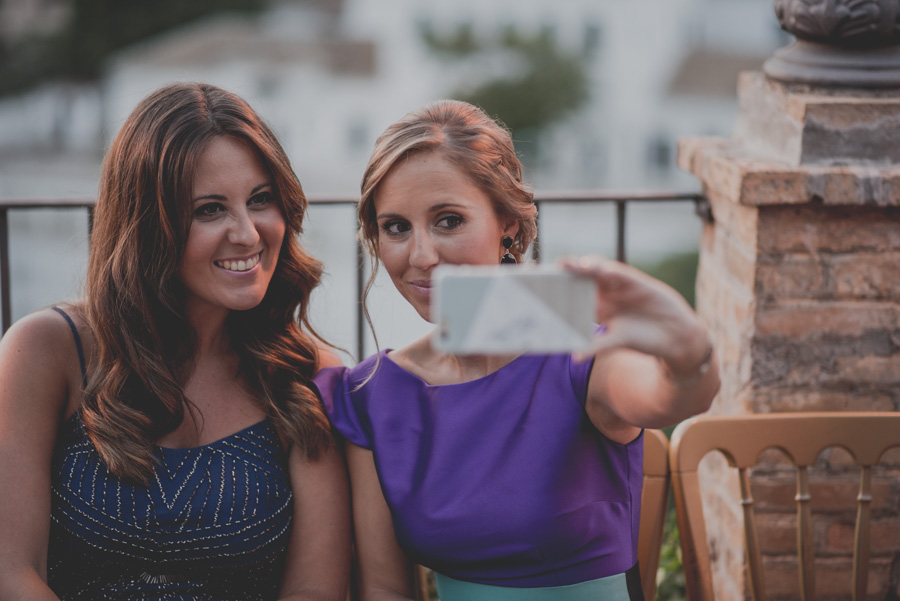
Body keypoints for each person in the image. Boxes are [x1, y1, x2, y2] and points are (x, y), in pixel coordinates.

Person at [313, 99, 720, 601]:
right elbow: (385, 591)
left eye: (448, 221)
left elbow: (672, 396)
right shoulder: (372, 394)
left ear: (506, 221)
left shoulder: (577, 349)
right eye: (396, 227)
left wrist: (687, 348)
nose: (421, 256)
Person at [0, 83, 350, 601]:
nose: (248, 234)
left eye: (260, 200)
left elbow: (315, 591)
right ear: (146, 225)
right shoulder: (46, 351)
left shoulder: (304, 373)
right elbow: (11, 573)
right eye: (210, 210)